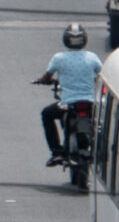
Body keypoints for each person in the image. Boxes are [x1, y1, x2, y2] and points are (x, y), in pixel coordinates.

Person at [35, 23, 104, 165]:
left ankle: (56, 152)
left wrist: (42, 81)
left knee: (46, 114)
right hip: (90, 102)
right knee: (101, 123)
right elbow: (103, 74)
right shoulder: (92, 57)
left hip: (67, 104)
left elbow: (47, 76)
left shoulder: (59, 58)